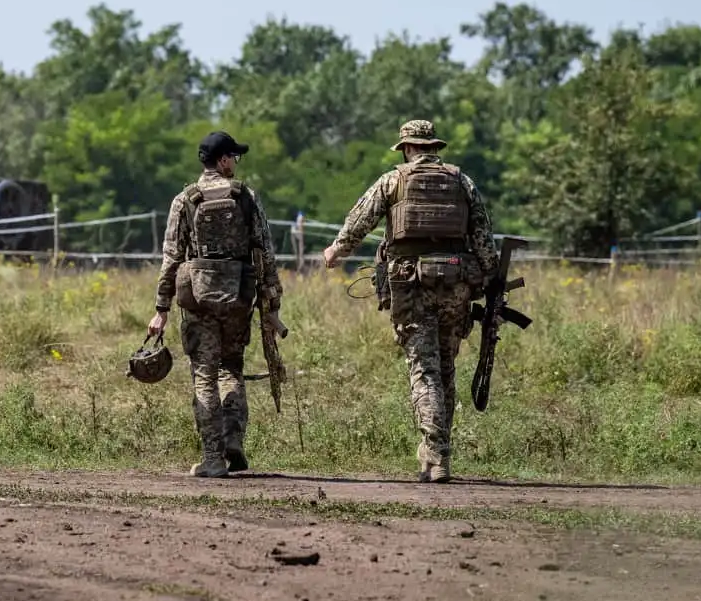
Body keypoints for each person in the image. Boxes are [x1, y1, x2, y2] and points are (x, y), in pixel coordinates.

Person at [321, 120, 498, 483]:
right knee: (446, 366)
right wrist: (491, 278)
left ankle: (435, 452)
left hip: (411, 283)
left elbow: (360, 219)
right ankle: (440, 456)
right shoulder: (462, 181)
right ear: (433, 146)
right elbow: (482, 237)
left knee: (424, 368)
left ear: (406, 148)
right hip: (457, 284)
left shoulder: (393, 180)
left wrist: (337, 250)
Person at [148, 131, 284, 478]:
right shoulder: (246, 197)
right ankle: (234, 438)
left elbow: (171, 257)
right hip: (238, 295)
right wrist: (272, 303)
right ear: (222, 160)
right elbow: (265, 251)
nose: (235, 163)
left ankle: (212, 458)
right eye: (233, 157)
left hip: (197, 298)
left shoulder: (185, 200)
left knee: (204, 376)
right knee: (231, 369)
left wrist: (161, 307)